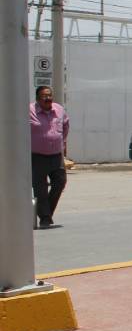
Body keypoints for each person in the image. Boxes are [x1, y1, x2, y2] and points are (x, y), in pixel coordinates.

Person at [29, 86, 69, 229]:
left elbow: (65, 127)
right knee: (40, 188)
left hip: (56, 155)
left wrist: (60, 143)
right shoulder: (29, 111)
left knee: (60, 182)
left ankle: (47, 213)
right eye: (44, 96)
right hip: (37, 156)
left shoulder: (59, 110)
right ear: (38, 98)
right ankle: (45, 218)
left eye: (49, 95)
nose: (48, 98)